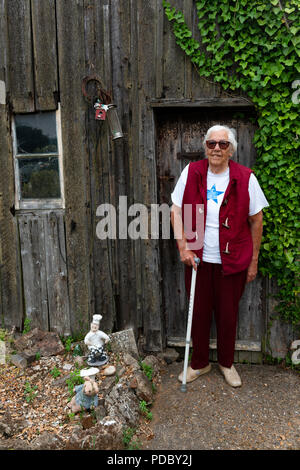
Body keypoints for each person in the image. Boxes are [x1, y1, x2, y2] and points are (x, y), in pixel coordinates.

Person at [170, 125, 269, 387]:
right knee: (199, 314)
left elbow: (256, 221)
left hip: (232, 260)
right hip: (198, 259)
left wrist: (254, 260)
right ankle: (199, 364)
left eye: (222, 144)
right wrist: (183, 247)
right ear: (205, 146)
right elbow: (176, 211)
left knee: (228, 315)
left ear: (231, 150)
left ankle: (226, 363)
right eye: (211, 143)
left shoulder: (245, 177)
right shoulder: (192, 172)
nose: (216, 148)